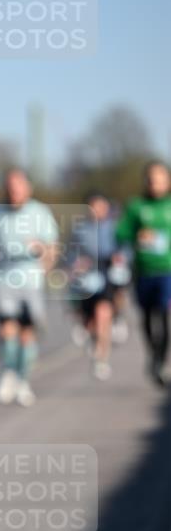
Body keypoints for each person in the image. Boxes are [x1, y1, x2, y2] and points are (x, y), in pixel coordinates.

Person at [0, 168, 59, 407]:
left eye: (18, 186)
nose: (14, 191)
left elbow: (53, 249)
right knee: (6, 329)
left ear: (28, 188)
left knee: (27, 335)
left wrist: (43, 255)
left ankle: (23, 379)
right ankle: (8, 371)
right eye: (9, 187)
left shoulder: (40, 213)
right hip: (4, 278)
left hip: (30, 280)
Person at [116, 162, 171, 387]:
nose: (155, 183)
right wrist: (136, 237)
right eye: (151, 178)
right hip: (143, 270)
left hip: (167, 270)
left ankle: (160, 360)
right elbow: (121, 233)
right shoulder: (136, 206)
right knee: (147, 316)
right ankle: (153, 354)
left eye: (159, 178)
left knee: (164, 313)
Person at [67, 193, 129, 380]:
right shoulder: (79, 230)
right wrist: (76, 263)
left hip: (108, 273)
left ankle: (102, 358)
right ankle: (95, 339)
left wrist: (122, 257)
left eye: (101, 206)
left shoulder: (116, 227)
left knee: (104, 313)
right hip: (88, 277)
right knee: (92, 321)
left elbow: (127, 248)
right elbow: (70, 253)